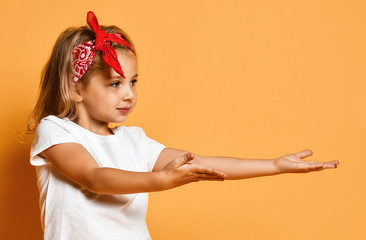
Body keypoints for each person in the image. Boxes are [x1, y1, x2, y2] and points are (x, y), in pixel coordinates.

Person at [27, 11, 340, 240]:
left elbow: (201, 163)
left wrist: (274, 165)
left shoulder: (134, 141)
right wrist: (162, 180)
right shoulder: (55, 131)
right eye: (114, 83)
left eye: (133, 82)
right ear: (76, 89)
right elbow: (93, 177)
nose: (129, 94)